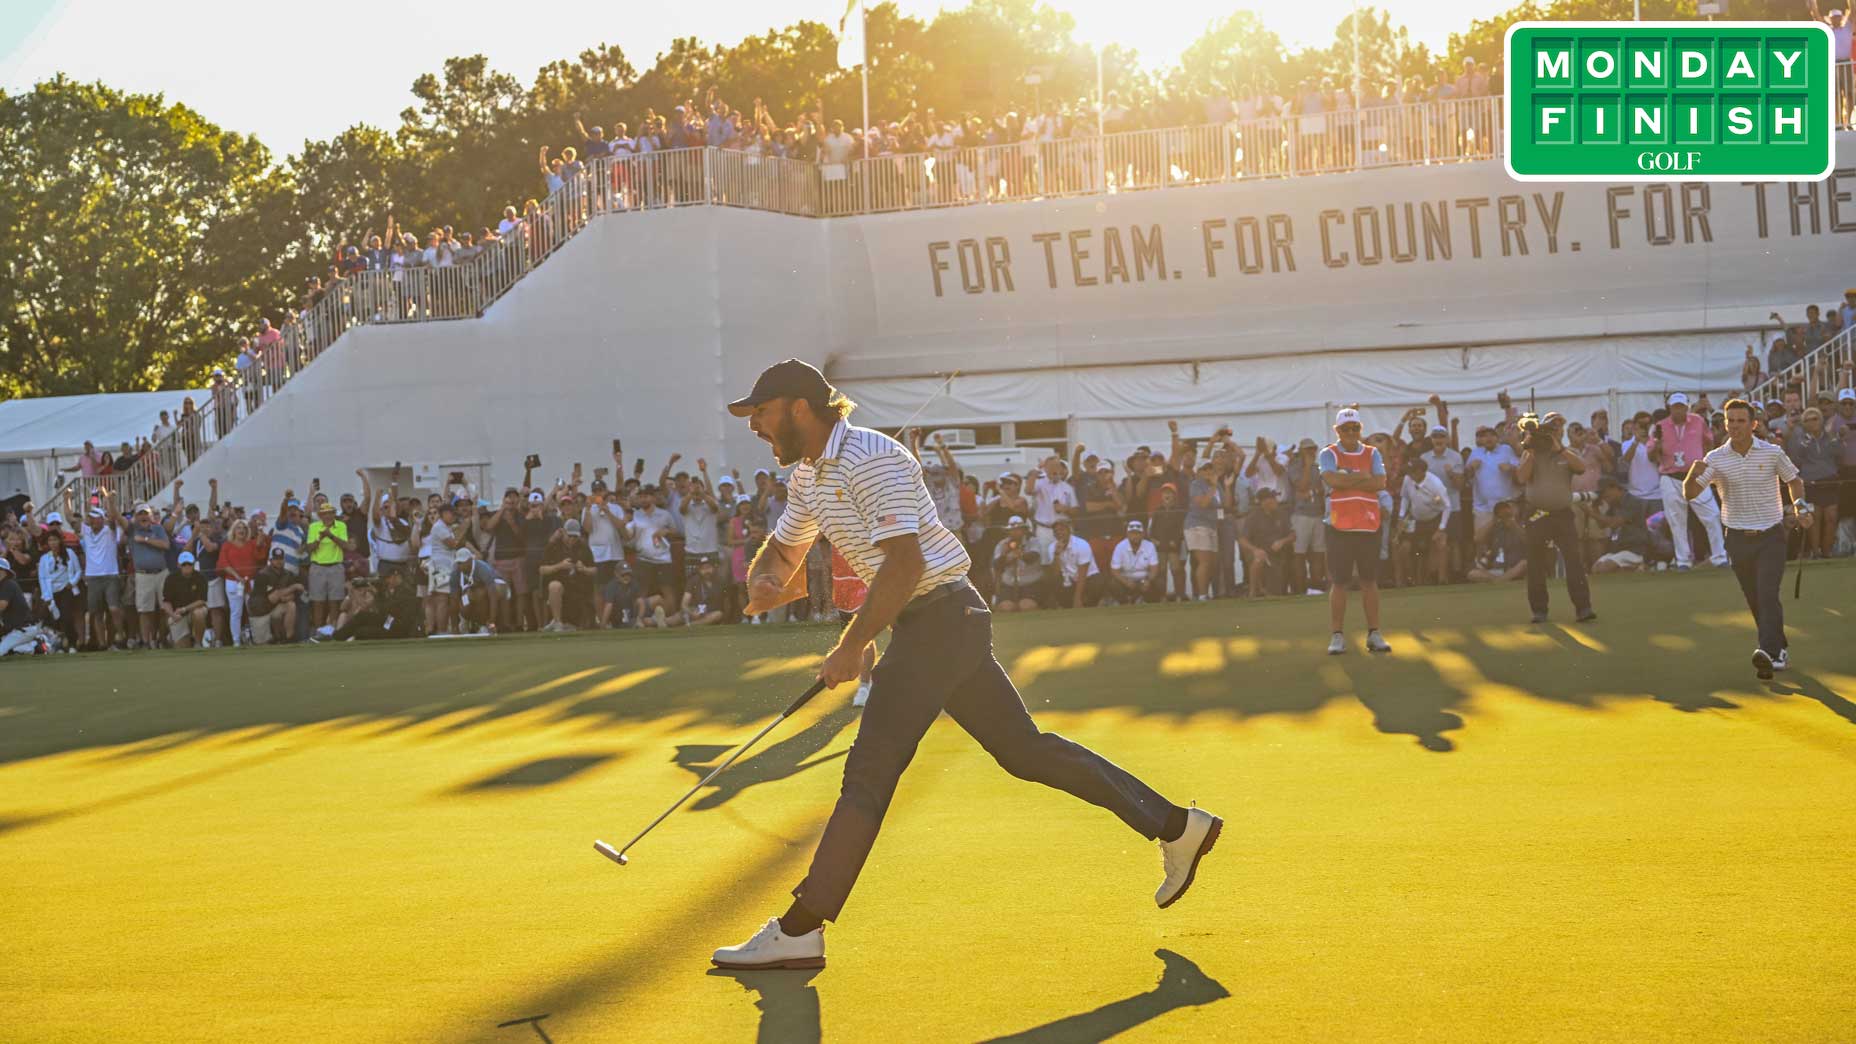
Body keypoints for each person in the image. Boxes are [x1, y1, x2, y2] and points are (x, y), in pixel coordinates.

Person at [713, 359, 1220, 971]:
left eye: (761, 414)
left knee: (869, 772)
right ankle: (1175, 825)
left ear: (799, 407)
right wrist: (767, 578)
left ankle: (801, 926)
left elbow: (904, 565)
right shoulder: (809, 474)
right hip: (937, 623)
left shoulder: (872, 458)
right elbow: (787, 545)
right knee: (1025, 751)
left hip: (941, 620)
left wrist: (853, 643)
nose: (756, 427)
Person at [1682, 399, 1808, 679]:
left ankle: (1768, 652)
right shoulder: (1714, 458)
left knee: (1767, 592)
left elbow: (1794, 480)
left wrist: (1800, 506)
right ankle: (1778, 647)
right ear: (1725, 424)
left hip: (1771, 535)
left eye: (1741, 421)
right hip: (1737, 537)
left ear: (1753, 424)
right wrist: (1691, 476)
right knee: (1754, 598)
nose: (1735, 426)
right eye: (1730, 421)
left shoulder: (1772, 452)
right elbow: (1690, 494)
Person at [1318, 408, 1391, 655]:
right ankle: (1337, 635)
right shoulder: (1328, 453)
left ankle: (1374, 633)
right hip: (1339, 525)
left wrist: (1347, 476)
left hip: (1368, 524)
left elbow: (1380, 483)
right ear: (1337, 431)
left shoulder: (1372, 453)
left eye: (1355, 428)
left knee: (1369, 580)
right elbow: (1332, 480)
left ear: (1360, 429)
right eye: (1346, 429)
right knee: (1340, 581)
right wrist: (1361, 477)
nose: (1351, 433)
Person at [1517, 415, 1597, 625]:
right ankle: (1539, 610)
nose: (1549, 437)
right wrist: (1532, 451)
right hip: (1537, 514)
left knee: (1573, 560)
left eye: (1554, 432)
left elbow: (1581, 468)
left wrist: (1559, 449)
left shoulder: (1565, 454)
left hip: (1562, 514)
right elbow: (1521, 478)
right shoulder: (1529, 454)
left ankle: (1583, 608)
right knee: (1536, 563)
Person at [1652, 393, 1728, 569]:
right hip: (1670, 476)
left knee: (1712, 514)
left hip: (1694, 474)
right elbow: (1652, 454)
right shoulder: (1660, 426)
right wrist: (1656, 443)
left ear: (1687, 406)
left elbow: (1709, 442)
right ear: (1669, 408)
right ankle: (1683, 560)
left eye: (1681, 406)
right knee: (1677, 520)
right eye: (1675, 407)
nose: (1678, 410)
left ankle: (1720, 556)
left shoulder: (1698, 421)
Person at [161, 551, 210, 648]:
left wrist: (184, 609)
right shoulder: (171, 579)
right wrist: (173, 615)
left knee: (199, 613)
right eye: (184, 564)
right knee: (182, 647)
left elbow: (202, 601)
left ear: (193, 564)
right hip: (178, 615)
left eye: (189, 564)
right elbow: (166, 601)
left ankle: (198, 643)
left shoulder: (200, 577)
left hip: (193, 611)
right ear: (179, 565)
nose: (187, 566)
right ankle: (175, 639)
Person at [1107, 520, 1160, 603]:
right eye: (1132, 533)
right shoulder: (1120, 547)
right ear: (1127, 535)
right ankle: (1124, 602)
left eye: (1138, 533)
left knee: (1159, 582)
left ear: (1143, 534)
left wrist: (1148, 580)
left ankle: (1147, 602)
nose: (1135, 536)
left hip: (1144, 580)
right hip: (1126, 580)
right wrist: (1126, 582)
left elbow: (1154, 568)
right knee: (1113, 584)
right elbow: (1114, 570)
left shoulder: (1150, 545)